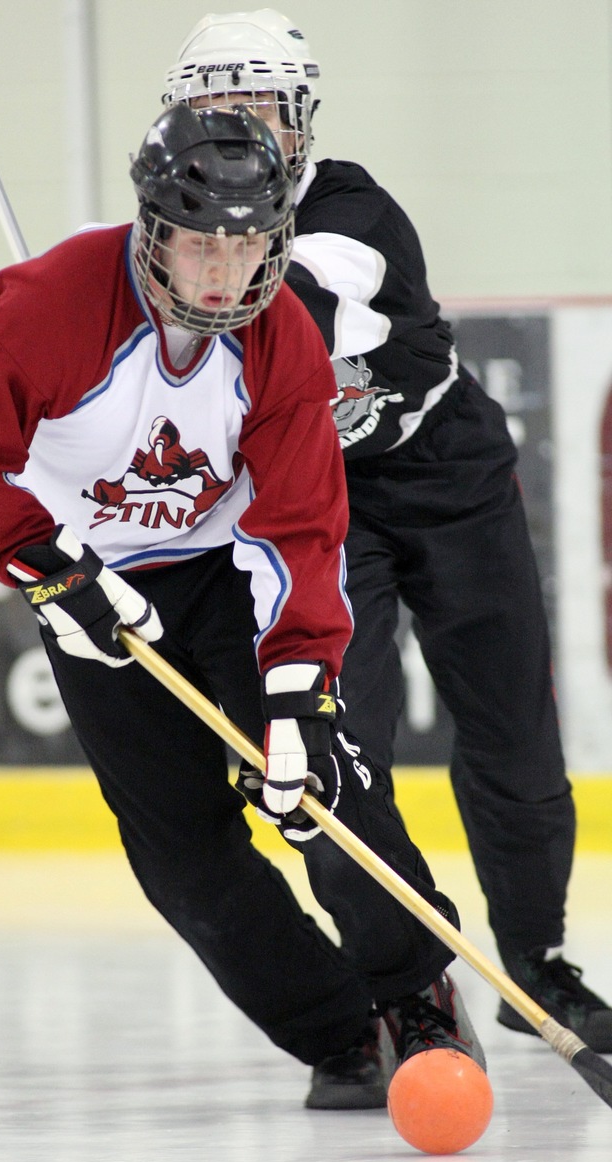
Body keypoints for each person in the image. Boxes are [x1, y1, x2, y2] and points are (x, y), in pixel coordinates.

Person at [0, 103, 485, 1111]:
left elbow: (297, 522)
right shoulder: (48, 304)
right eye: (202, 239)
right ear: (153, 225)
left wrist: (299, 683)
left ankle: (414, 992)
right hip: (87, 579)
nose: (225, 267)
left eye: (250, 240)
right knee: (176, 846)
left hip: (225, 570)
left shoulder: (279, 337)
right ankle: (335, 1029)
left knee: (320, 789)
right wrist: (45, 566)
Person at [162, 8, 612, 1054]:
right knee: (335, 751)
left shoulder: (350, 211)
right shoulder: (173, 232)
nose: (243, 129)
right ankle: (405, 985)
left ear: (300, 118)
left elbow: (312, 303)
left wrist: (188, 313)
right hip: (323, 507)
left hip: (446, 475)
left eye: (262, 106)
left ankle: (536, 959)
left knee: (509, 730)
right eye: (217, 107)